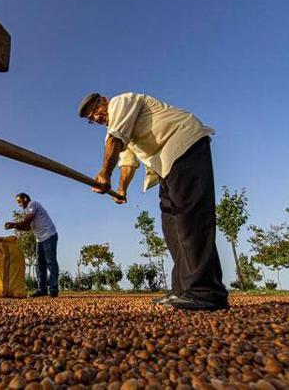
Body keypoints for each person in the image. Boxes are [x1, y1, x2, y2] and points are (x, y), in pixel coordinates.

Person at [78, 92, 229, 311]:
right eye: (91, 118)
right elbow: (127, 162)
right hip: (166, 165)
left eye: (94, 110)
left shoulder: (121, 102)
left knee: (190, 218)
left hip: (184, 145)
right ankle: (183, 289)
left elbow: (115, 141)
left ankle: (206, 292)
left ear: (103, 100)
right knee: (172, 226)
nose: (96, 117)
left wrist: (104, 174)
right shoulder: (120, 127)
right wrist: (121, 189)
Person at [4, 193, 59, 297]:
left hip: (49, 235)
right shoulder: (27, 211)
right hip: (39, 239)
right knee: (39, 265)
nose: (19, 204)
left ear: (25, 198)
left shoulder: (32, 204)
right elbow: (27, 227)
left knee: (51, 263)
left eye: (19, 201)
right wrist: (14, 226)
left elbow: (27, 221)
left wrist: (14, 224)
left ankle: (53, 289)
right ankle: (42, 290)